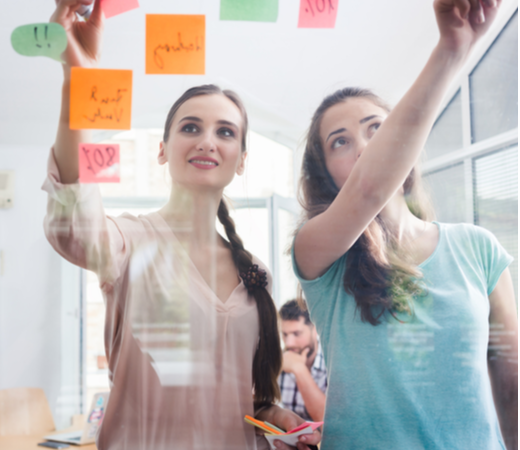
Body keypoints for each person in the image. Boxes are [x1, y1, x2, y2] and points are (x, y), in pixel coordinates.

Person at [42, 1, 321, 448]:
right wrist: (80, 82)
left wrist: (274, 415)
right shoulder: (129, 243)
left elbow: (241, 398)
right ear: (162, 149)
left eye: (226, 132)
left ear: (242, 160)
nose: (208, 140)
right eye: (191, 127)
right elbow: (70, 223)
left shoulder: (257, 274)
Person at [292, 0, 517, 448]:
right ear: (323, 175)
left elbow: (509, 370)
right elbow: (368, 190)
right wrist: (452, 50)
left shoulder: (477, 246)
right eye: (341, 141)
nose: (363, 146)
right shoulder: (316, 253)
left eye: (378, 128)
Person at [277, 299, 327, 422]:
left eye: (296, 333)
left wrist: (299, 369)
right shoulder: (278, 363)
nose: (289, 343)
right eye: (285, 334)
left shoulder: (332, 363)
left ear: (315, 330)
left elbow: (327, 421)